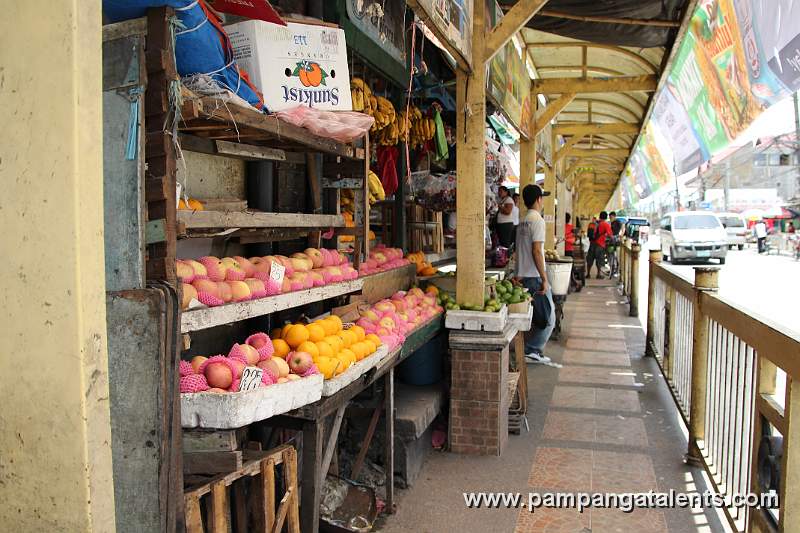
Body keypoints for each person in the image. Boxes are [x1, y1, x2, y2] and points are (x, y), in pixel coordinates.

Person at [515, 184, 555, 364]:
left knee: (532, 316)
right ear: (539, 199)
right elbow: (537, 251)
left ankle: (528, 349)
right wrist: (544, 279)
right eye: (542, 197)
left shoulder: (523, 221)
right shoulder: (537, 220)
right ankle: (532, 350)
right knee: (549, 316)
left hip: (523, 275)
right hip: (534, 276)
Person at [586, 211, 613, 278]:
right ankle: (598, 274)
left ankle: (588, 274)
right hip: (600, 245)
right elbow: (610, 235)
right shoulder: (605, 224)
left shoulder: (594, 223)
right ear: (606, 217)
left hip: (592, 243)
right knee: (599, 259)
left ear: (600, 216)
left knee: (590, 259)